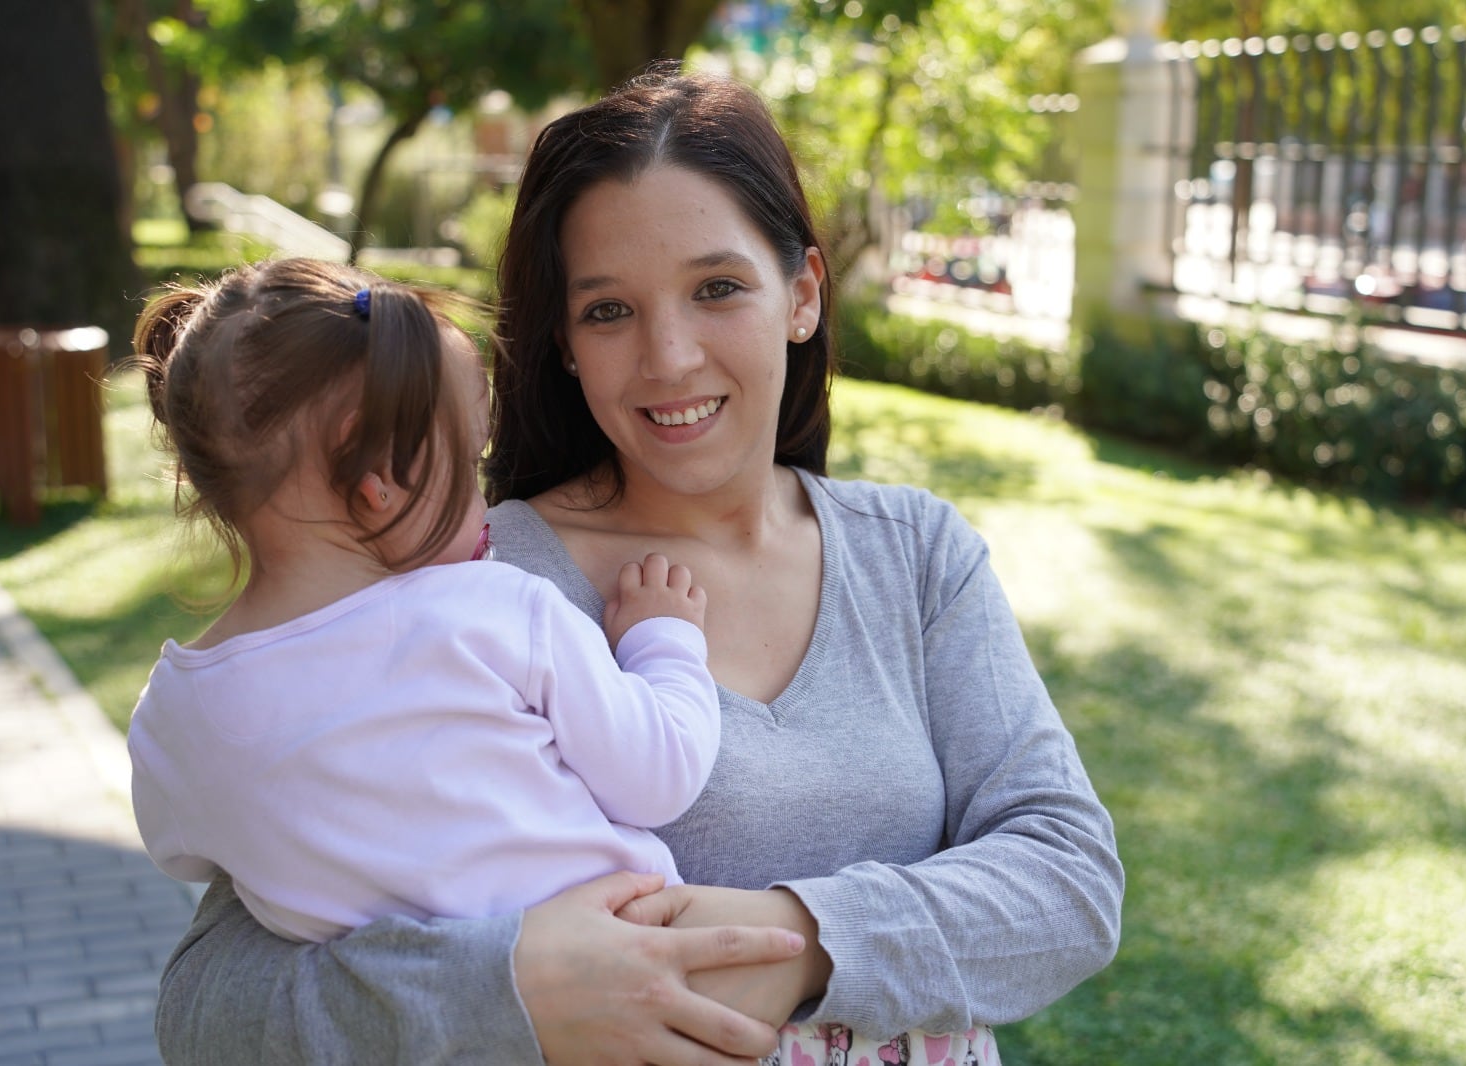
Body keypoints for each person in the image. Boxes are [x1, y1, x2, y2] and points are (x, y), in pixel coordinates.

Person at [152, 67, 1124, 1066]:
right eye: (608, 311)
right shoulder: (458, 589)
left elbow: (1070, 880)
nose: (667, 357)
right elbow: (207, 1005)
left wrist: (801, 944)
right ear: (565, 344)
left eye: (717, 289)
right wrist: (507, 988)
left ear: (801, 295)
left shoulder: (916, 555)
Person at [126, 256, 724, 944]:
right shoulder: (490, 611)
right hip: (642, 978)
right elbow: (659, 775)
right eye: (468, 467)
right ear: (379, 477)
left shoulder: (173, 719)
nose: (485, 509)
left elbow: (185, 855)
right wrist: (663, 638)